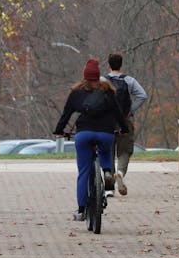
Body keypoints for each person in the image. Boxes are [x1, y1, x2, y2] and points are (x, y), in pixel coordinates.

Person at [53, 58, 127, 221]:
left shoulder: (76, 92)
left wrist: (59, 131)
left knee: (84, 172)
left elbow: (66, 115)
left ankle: (81, 210)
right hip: (106, 133)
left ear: (85, 75)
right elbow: (118, 113)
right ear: (98, 75)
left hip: (84, 134)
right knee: (105, 151)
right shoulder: (107, 91)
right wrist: (124, 129)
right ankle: (107, 172)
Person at [105, 53, 148, 196]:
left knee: (107, 151)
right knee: (124, 151)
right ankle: (120, 173)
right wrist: (130, 110)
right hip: (124, 120)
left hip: (107, 121)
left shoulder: (102, 80)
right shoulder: (129, 80)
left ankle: (109, 189)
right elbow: (142, 95)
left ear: (109, 65)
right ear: (121, 65)